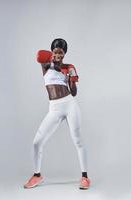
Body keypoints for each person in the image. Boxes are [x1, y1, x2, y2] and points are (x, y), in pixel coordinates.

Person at [23, 38, 90, 190]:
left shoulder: (69, 67)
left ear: (64, 54)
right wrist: (55, 62)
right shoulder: (46, 65)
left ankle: (85, 177)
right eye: (55, 52)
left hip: (69, 104)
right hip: (54, 108)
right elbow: (40, 55)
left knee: (78, 141)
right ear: (52, 52)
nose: (58, 55)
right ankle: (37, 175)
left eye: (61, 52)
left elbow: (73, 93)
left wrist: (72, 79)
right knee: (37, 142)